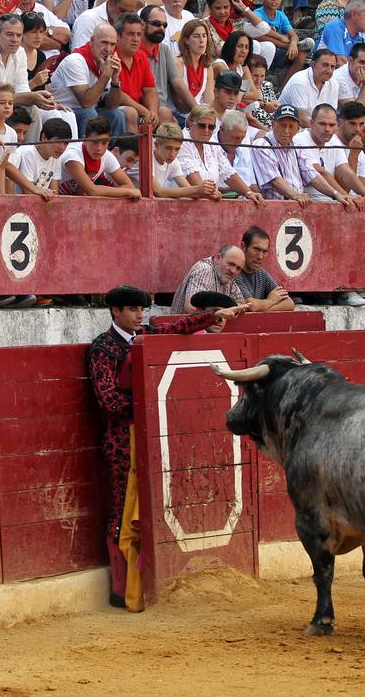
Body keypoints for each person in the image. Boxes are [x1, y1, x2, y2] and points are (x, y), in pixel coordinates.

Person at [88, 283, 230, 610]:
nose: (141, 315)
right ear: (116, 311)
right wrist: (149, 402)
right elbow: (108, 400)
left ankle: (152, 584)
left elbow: (178, 326)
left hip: (153, 435)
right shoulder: (102, 348)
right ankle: (122, 590)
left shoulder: (149, 334)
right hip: (123, 441)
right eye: (134, 309)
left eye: (143, 309)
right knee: (124, 510)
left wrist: (213, 316)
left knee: (153, 506)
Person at [232, 226, 295, 312]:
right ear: (243, 246)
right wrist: (271, 301)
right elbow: (251, 306)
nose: (260, 257)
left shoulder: (262, 274)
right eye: (256, 249)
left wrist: (262, 307)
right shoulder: (234, 271)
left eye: (264, 251)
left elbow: (289, 303)